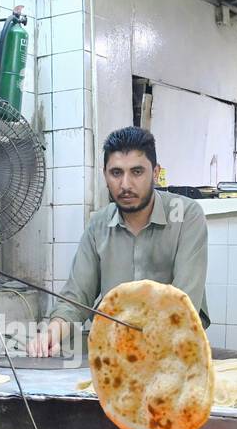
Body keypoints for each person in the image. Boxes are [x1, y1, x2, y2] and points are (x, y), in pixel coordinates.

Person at [28, 126, 207, 357]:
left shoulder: (186, 216)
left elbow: (184, 303)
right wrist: (52, 331)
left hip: (173, 351)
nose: (125, 185)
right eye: (116, 173)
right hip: (115, 354)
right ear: (105, 175)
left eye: (137, 172)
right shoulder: (98, 225)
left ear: (155, 173)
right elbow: (76, 297)